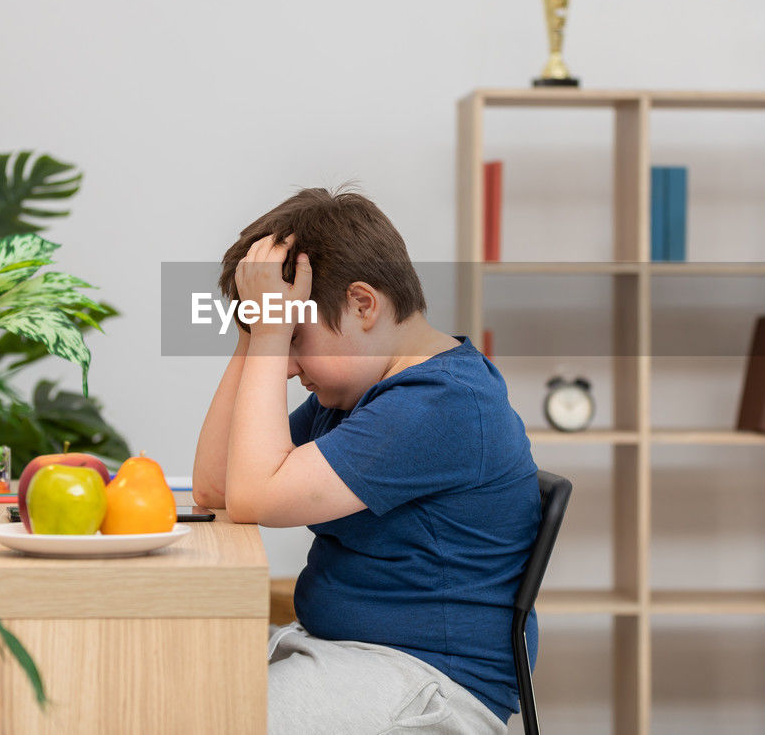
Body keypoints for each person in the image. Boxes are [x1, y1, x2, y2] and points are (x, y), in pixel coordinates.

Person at [192, 187, 540, 734]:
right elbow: (216, 485)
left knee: (216, 721)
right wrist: (254, 335)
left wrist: (267, 334)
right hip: (349, 653)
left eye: (294, 337)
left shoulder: (439, 402)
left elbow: (255, 496)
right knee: (169, 683)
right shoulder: (363, 397)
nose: (283, 366)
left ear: (362, 304)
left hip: (429, 682)